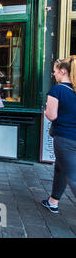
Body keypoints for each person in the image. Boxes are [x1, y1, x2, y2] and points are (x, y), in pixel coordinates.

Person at [43, 57, 76, 213]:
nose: (54, 74)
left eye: (55, 71)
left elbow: (51, 115)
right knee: (61, 169)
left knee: (72, 177)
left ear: (63, 71)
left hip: (65, 139)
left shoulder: (57, 90)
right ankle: (53, 201)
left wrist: (45, 111)